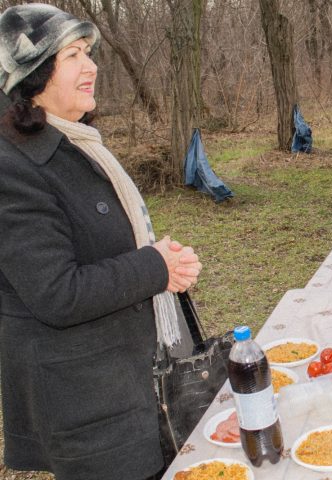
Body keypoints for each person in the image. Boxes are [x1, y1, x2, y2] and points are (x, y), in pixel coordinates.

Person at [0, 5, 202, 480]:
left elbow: (101, 243)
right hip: (89, 406)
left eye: (88, 53)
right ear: (32, 76)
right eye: (73, 55)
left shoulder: (76, 141)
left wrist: (158, 257)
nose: (91, 67)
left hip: (132, 384)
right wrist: (153, 268)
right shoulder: (12, 166)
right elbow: (56, 292)